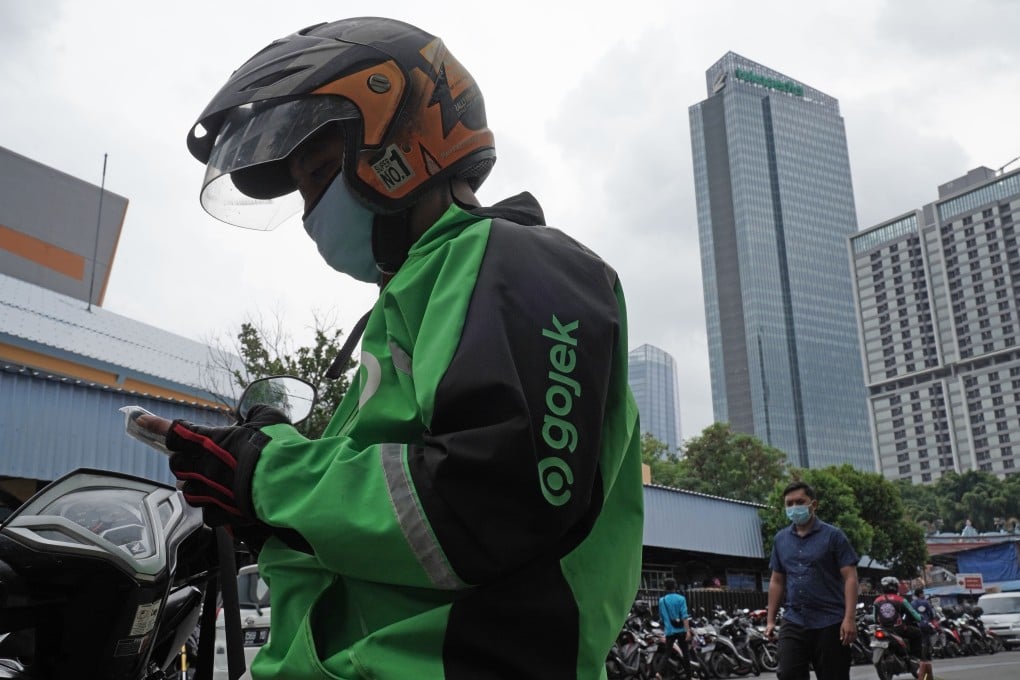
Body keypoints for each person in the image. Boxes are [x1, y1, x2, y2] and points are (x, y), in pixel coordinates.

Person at [137, 16, 644, 679]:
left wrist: (267, 475)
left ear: (400, 142)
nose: (312, 210)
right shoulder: (408, 300)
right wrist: (263, 509)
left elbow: (489, 503)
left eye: (319, 173)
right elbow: (381, 522)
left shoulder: (518, 262)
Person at [765, 481, 859, 680]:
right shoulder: (780, 539)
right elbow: (777, 580)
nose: (794, 507)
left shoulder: (834, 536)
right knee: (788, 674)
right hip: (794, 620)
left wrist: (849, 618)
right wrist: (771, 620)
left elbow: (850, 577)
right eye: (789, 504)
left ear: (813, 504)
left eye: (800, 502)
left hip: (830, 621)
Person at [873, 577, 924, 660]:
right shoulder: (901, 600)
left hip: (883, 629)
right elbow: (915, 616)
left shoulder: (877, 600)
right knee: (917, 633)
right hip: (898, 629)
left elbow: (874, 619)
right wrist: (919, 618)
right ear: (896, 587)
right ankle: (916, 658)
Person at [654, 578, 693, 679]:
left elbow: (661, 617)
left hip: (669, 631)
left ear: (665, 588)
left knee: (667, 653)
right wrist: (688, 631)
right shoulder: (681, 599)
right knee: (685, 653)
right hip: (681, 630)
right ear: (675, 586)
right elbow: (684, 616)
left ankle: (659, 672)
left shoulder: (662, 601)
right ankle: (689, 677)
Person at [910, 587, 935, 659]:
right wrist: (931, 619)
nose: (924, 594)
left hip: (916, 624)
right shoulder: (925, 602)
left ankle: (920, 655)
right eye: (923, 593)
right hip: (925, 623)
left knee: (919, 640)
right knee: (926, 639)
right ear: (920, 594)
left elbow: (911, 613)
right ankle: (927, 655)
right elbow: (931, 613)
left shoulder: (912, 603)